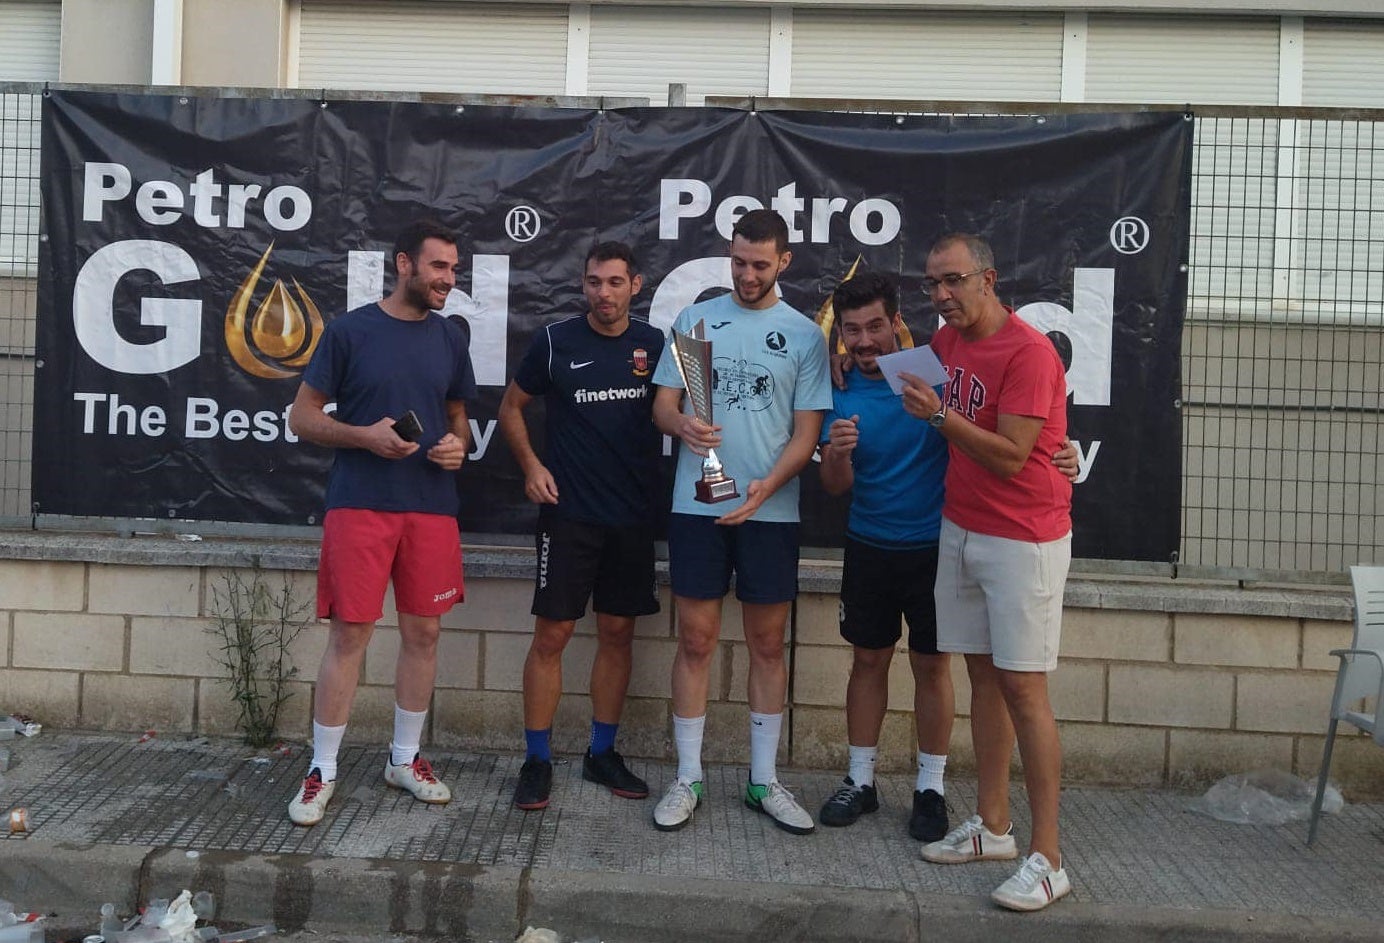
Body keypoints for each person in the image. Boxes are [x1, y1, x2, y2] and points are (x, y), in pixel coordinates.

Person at [901, 233, 1074, 912]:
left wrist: (940, 416)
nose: (941, 294)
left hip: (1023, 538)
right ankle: (995, 827)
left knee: (1026, 689)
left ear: (988, 278)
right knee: (982, 674)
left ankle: (1050, 857)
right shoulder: (948, 342)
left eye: (953, 280)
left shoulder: (1029, 351)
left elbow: (1011, 455)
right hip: (961, 527)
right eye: (932, 284)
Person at [285, 218, 476, 827]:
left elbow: (458, 419)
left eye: (454, 268)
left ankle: (405, 758)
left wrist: (456, 447)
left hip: (430, 508)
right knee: (351, 637)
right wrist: (362, 436)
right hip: (359, 504)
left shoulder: (450, 337)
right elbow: (301, 418)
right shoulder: (349, 332)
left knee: (424, 635)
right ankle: (322, 769)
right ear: (404, 265)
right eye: (439, 267)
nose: (449, 278)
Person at [650, 208, 831, 835]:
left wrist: (766, 488)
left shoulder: (804, 335)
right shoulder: (696, 321)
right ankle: (687, 777)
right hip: (697, 505)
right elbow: (663, 407)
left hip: (770, 511)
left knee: (766, 646)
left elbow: (807, 436)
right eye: (738, 262)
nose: (747, 274)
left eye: (759, 263)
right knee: (696, 641)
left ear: (784, 261)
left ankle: (763, 781)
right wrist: (682, 425)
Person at [498, 241, 664, 811]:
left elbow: (683, 408)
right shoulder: (555, 341)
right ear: (584, 285)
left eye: (615, 282)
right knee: (553, 637)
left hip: (632, 518)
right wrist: (531, 467)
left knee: (618, 635)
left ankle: (601, 752)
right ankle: (537, 759)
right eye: (595, 281)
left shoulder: (654, 345)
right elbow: (510, 407)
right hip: (567, 517)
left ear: (634, 285)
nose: (604, 293)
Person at [814, 271, 955, 842]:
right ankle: (861, 781)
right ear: (841, 334)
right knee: (868, 662)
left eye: (876, 325)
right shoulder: (836, 386)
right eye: (853, 330)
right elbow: (832, 486)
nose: (865, 340)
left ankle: (931, 787)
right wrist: (839, 454)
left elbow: (982, 428)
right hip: (869, 544)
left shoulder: (934, 374)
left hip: (936, 548)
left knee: (932, 666)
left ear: (897, 322)